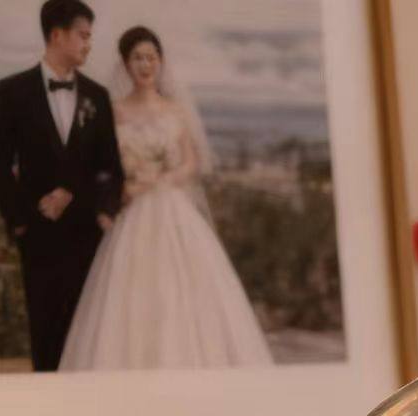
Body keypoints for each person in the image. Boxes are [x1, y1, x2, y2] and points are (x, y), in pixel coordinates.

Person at [59, 25, 273, 370]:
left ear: (160, 61)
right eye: (137, 58)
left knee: (187, 287)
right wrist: (128, 182)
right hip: (132, 211)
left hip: (173, 207)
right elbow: (101, 164)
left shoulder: (175, 110)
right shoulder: (113, 111)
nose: (145, 65)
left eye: (151, 57)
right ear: (125, 64)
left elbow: (191, 161)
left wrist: (162, 179)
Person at [0, 0, 122, 372]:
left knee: (88, 337)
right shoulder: (13, 91)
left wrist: (97, 208)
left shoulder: (97, 96)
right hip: (38, 234)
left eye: (89, 36)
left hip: (87, 234)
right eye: (83, 35)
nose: (88, 44)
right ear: (57, 35)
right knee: (45, 336)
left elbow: (110, 168)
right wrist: (21, 221)